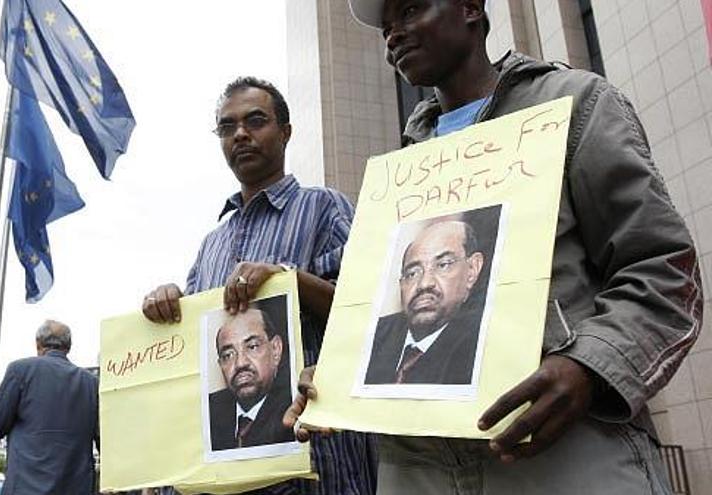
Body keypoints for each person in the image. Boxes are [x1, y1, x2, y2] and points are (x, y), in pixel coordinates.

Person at [286, 0, 704, 493]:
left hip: (560, 451)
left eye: (411, 10)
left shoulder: (573, 103)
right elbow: (386, 315)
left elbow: (662, 269)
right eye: (386, 25)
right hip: (417, 468)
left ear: (469, 8)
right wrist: (337, 379)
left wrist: (591, 366)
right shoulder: (403, 166)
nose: (393, 34)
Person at [143, 76, 377, 494]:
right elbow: (198, 352)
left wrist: (289, 278)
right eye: (227, 127)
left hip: (312, 460)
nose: (241, 135)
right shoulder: (211, 243)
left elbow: (368, 310)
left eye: (255, 121)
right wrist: (170, 307)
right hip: (226, 467)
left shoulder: (324, 207)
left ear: (285, 132)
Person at [0, 320, 99, 495]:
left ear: (38, 345)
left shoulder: (20, 371)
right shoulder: (91, 383)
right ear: (68, 347)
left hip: (25, 486)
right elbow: (103, 440)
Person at [365, 220, 484, 385]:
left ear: (472, 270)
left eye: (443, 265)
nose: (424, 284)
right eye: (412, 273)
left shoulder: (484, 345)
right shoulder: (375, 335)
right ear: (401, 284)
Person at [210, 307, 294, 450]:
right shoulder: (211, 410)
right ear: (220, 365)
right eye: (228, 355)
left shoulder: (295, 404)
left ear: (276, 349)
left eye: (252, 346)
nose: (240, 363)